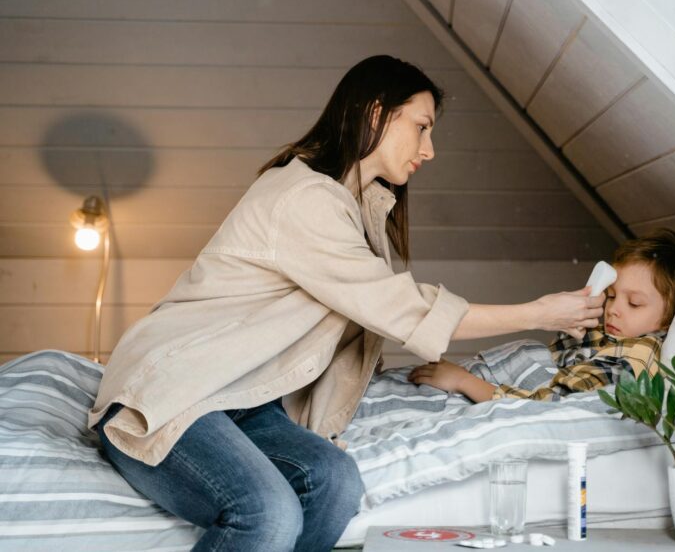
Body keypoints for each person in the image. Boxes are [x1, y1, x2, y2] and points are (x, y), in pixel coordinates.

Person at [87, 55, 605, 552]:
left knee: (335, 482)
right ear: (376, 114)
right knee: (269, 512)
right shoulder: (305, 198)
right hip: (177, 391)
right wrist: (540, 313)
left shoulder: (356, 206)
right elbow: (404, 308)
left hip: (244, 400)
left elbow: (345, 344)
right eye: (422, 127)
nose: (429, 150)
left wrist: (319, 431)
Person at [410, 229, 675, 403]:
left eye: (634, 303)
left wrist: (464, 381)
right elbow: (554, 360)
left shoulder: (637, 354)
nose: (613, 309)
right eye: (611, 295)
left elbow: (550, 405)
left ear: (670, 318)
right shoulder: (607, 335)